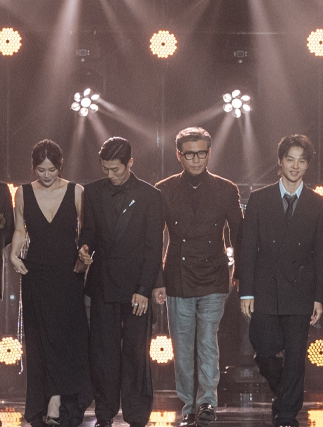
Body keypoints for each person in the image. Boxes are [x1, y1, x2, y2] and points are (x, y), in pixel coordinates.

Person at [153, 127, 244, 427]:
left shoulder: (226, 189)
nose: (195, 159)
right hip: (177, 277)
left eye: (201, 153)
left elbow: (239, 235)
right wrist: (157, 280)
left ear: (209, 153)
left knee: (207, 341)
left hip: (214, 275)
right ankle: (188, 405)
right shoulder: (163, 189)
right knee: (182, 345)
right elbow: (153, 238)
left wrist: (240, 273)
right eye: (189, 154)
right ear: (178, 155)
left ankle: (206, 402)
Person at [238, 135, 323, 427]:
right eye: (290, 159)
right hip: (265, 287)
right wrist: (246, 291)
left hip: (301, 289)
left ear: (307, 165)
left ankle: (287, 414)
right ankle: (284, 393)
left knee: (295, 356)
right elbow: (247, 247)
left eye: (301, 160)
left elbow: (321, 253)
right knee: (264, 351)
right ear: (280, 161)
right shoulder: (259, 198)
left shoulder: (318, 203)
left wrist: (319, 297)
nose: (295, 166)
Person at [78, 137, 164, 427]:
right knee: (103, 353)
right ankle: (104, 413)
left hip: (136, 285)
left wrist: (144, 289)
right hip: (103, 283)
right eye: (105, 169)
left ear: (130, 163)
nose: (110, 174)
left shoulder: (150, 195)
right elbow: (88, 231)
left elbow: (154, 247)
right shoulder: (92, 192)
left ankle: (137, 415)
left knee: (136, 352)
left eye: (115, 169)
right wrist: (84, 248)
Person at [11, 140, 89, 427]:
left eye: (52, 169)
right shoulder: (23, 192)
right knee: (40, 338)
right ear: (33, 167)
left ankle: (62, 399)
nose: (46, 175)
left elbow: (87, 231)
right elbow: (20, 229)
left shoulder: (76, 191)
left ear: (60, 166)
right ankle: (51, 400)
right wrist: (13, 254)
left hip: (68, 272)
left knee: (66, 336)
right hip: (36, 273)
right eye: (41, 170)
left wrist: (85, 255)